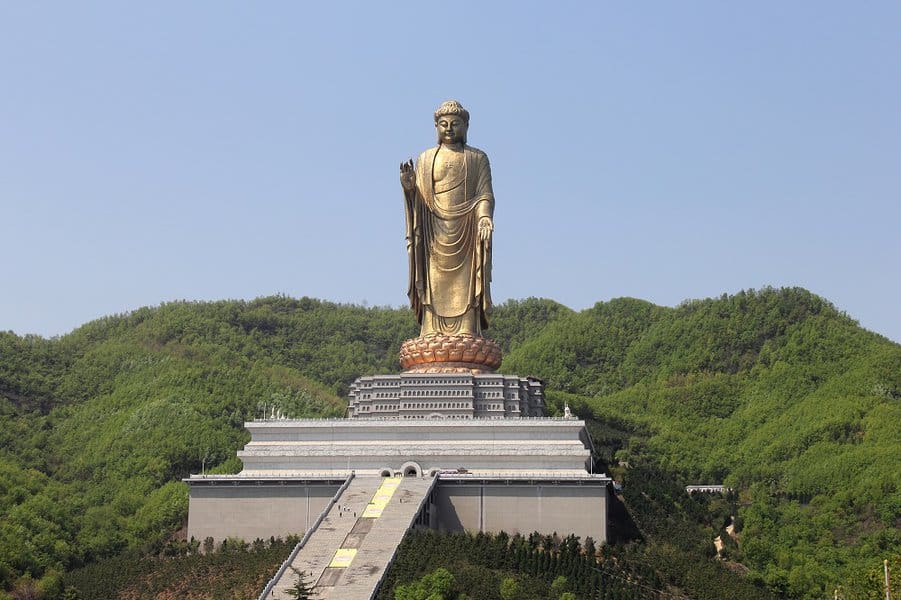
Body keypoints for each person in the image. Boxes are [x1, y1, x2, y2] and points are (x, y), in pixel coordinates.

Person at [400, 100, 494, 338]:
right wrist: (409, 186)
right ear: (436, 127)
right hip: (433, 230)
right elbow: (418, 198)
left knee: (467, 282)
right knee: (432, 280)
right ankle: (430, 328)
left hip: (467, 230)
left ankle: (467, 328)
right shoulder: (425, 158)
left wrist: (484, 217)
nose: (449, 129)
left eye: (455, 124)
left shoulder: (477, 158)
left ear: (466, 126)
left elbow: (484, 194)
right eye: (443, 124)